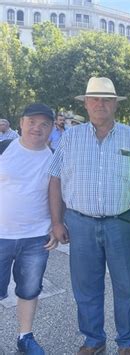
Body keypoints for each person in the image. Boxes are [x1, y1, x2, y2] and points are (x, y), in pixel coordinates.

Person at [49, 77, 130, 355]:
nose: (100, 104)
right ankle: (93, 339)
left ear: (115, 104)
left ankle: (126, 342)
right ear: (86, 104)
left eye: (106, 99)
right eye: (94, 99)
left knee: (126, 286)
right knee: (86, 287)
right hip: (80, 223)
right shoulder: (70, 137)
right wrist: (56, 221)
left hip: (122, 223)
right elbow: (54, 178)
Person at [0, 103, 58, 354]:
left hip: (36, 237)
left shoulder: (55, 157)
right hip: (1, 234)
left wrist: (57, 225)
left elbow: (58, 193)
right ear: (21, 123)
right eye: (32, 122)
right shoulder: (4, 149)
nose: (37, 127)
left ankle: (25, 336)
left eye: (44, 124)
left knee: (29, 289)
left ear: (52, 128)